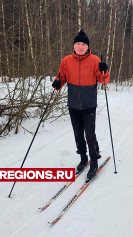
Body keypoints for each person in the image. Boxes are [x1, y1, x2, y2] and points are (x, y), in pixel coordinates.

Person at [52, 29, 110, 179]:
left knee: (89, 134)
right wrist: (57, 83)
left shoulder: (95, 60)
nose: (80, 46)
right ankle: (83, 158)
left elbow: (104, 81)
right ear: (74, 45)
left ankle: (94, 160)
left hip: (89, 104)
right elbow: (61, 78)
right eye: (78, 43)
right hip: (73, 104)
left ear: (87, 46)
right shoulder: (66, 61)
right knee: (78, 134)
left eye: (83, 44)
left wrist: (105, 71)